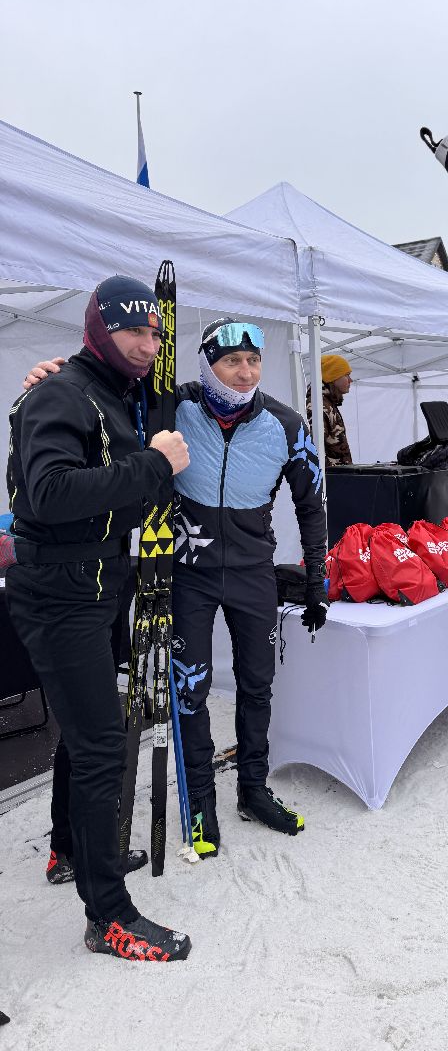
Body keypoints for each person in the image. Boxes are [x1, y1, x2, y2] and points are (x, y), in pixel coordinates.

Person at [28, 319, 329, 861]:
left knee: (257, 684)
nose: (244, 372)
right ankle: (201, 805)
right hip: (186, 570)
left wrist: (317, 582)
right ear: (207, 364)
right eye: (230, 362)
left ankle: (254, 790)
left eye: (253, 361)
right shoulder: (170, 406)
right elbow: (92, 387)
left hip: (252, 572)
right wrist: (48, 373)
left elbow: (313, 504)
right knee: (190, 690)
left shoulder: (286, 423)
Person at [7, 275, 192, 961]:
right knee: (100, 745)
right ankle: (107, 915)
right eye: (133, 333)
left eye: (153, 335)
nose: (146, 346)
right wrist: (155, 465)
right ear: (98, 329)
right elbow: (51, 493)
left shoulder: (110, 392)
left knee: (85, 733)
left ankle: (67, 852)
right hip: (62, 589)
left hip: (96, 581)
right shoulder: (63, 391)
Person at [306, 354, 353, 465]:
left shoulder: (327, 403)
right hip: (329, 478)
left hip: (336, 476)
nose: (351, 380)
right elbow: (314, 449)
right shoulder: (317, 405)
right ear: (333, 377)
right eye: (347, 375)